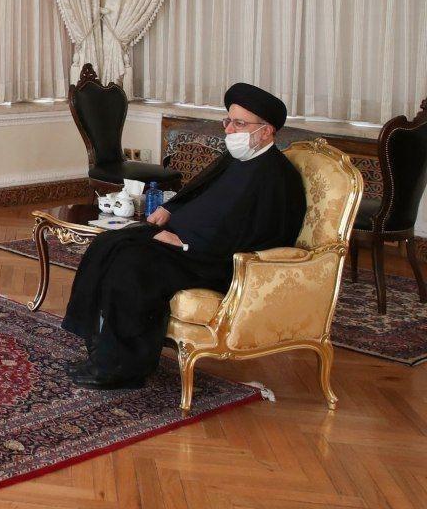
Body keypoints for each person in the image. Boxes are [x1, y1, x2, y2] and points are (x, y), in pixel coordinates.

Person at [60, 83, 307, 389]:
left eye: (239, 124)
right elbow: (197, 190)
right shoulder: (236, 159)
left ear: (266, 131)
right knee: (109, 242)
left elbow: (262, 238)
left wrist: (187, 244)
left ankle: (122, 369)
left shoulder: (278, 178)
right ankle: (99, 349)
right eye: (228, 121)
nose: (229, 130)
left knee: (132, 263)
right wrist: (170, 209)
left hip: (216, 261)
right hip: (186, 242)